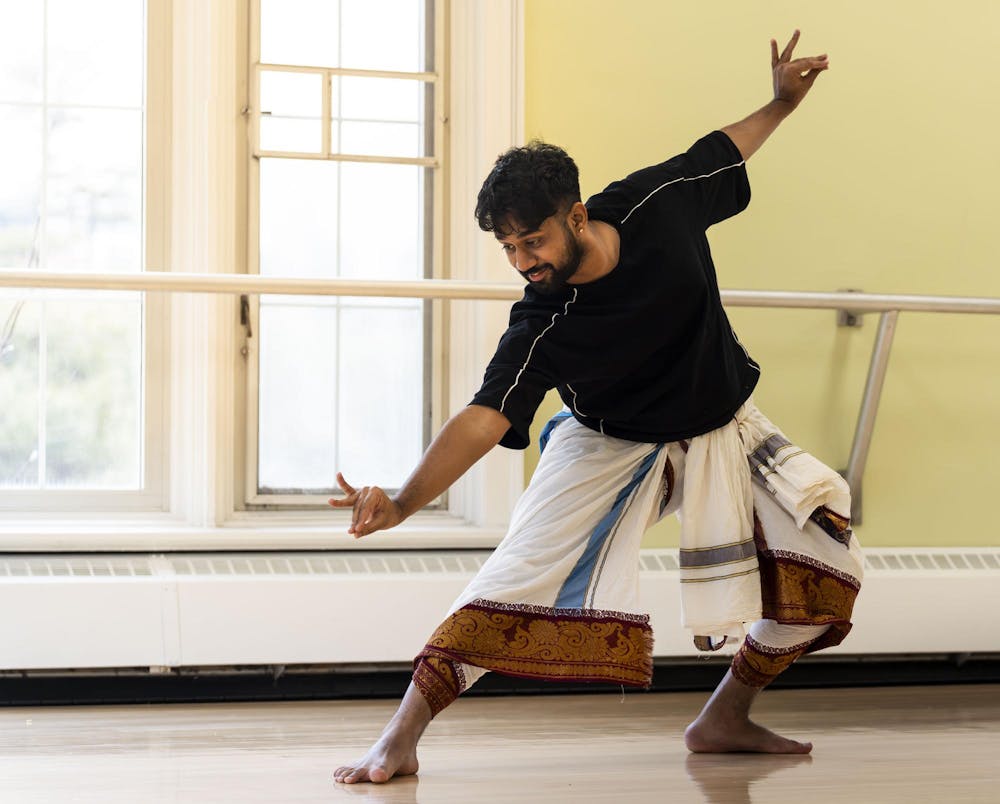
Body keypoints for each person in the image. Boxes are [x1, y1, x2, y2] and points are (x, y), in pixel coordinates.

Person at [331, 30, 863, 785]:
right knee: (516, 572)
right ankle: (400, 736)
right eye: (509, 248)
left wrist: (781, 100)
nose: (524, 261)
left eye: (533, 240)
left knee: (830, 559)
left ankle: (724, 715)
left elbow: (728, 147)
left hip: (720, 426)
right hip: (606, 444)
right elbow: (487, 415)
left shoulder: (661, 203)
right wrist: (407, 502)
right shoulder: (542, 320)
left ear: (576, 215)